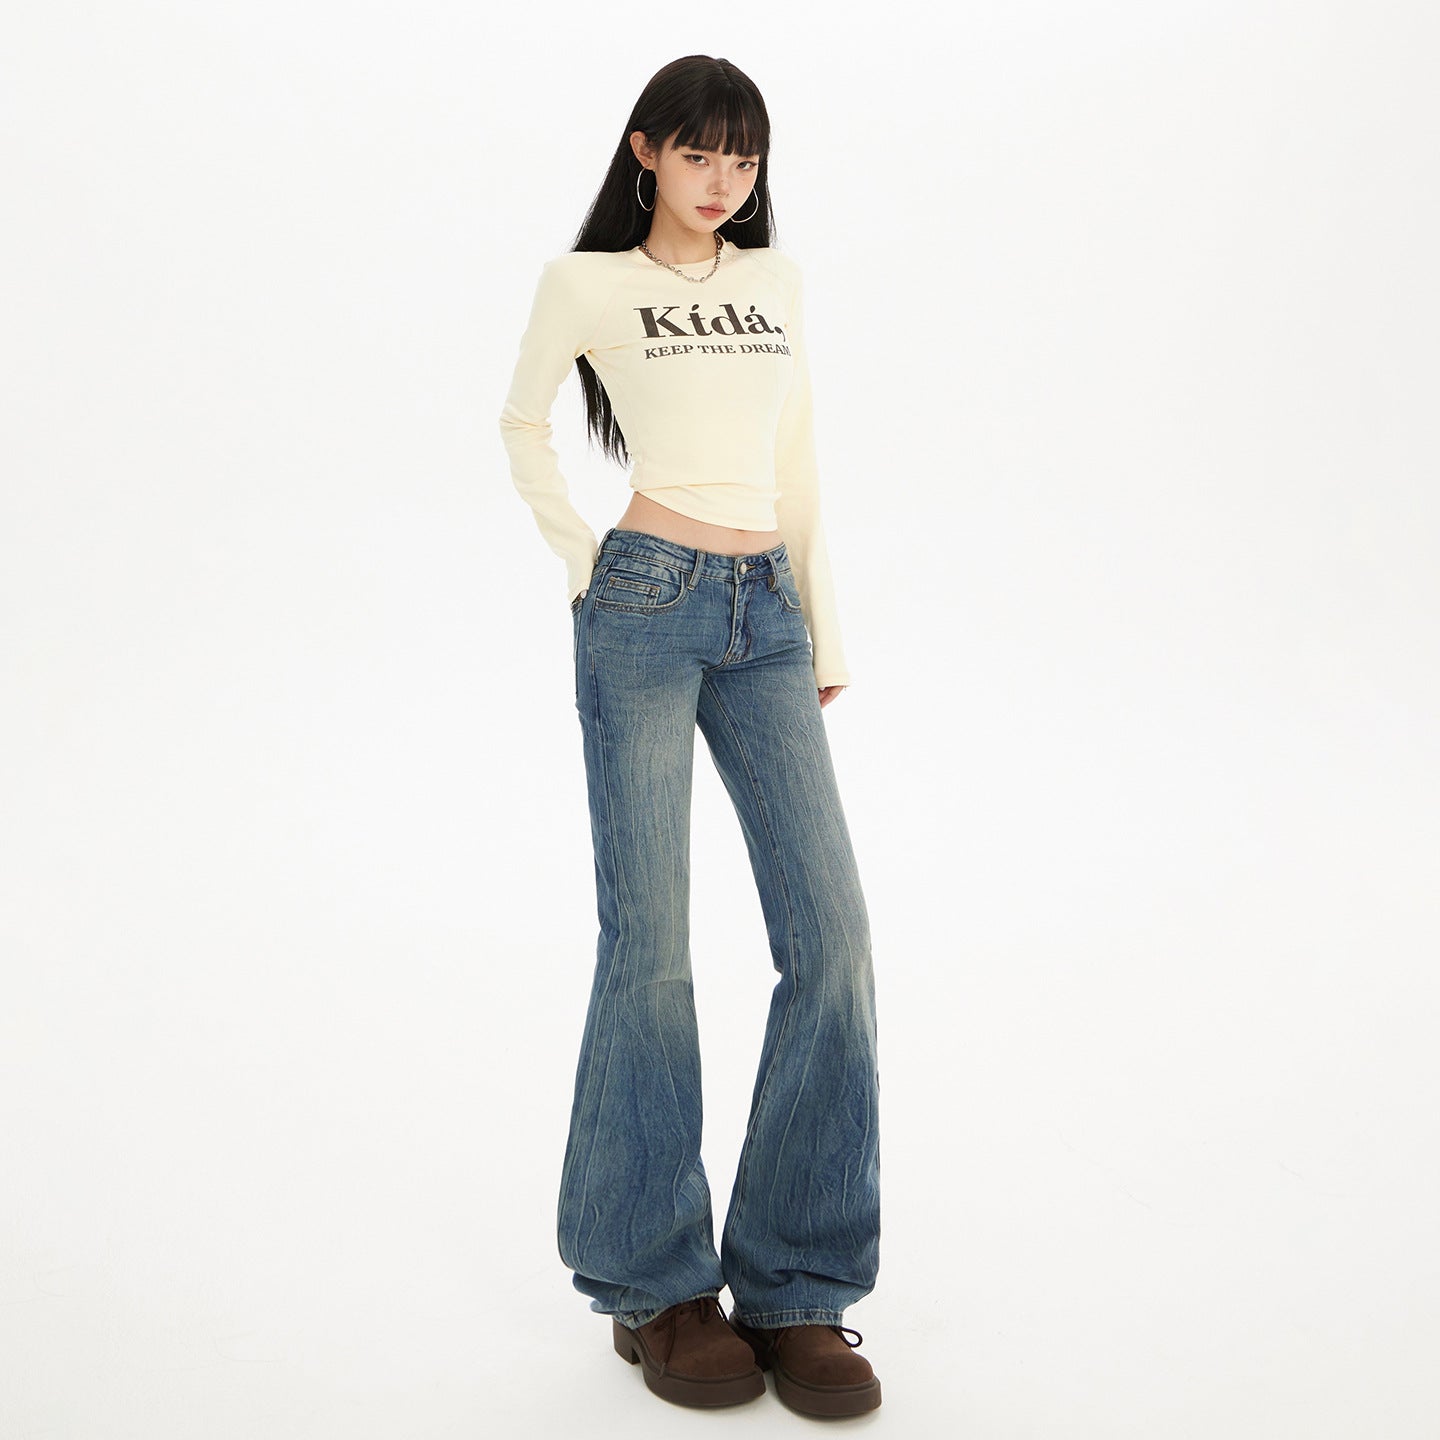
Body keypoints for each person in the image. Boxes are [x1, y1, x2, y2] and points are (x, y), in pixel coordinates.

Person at [498, 54, 881, 1417]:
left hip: (766, 613)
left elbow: (797, 460)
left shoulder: (775, 284)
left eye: (746, 159)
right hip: (646, 606)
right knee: (651, 949)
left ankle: (798, 1287)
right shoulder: (586, 283)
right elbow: (521, 422)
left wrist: (822, 628)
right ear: (647, 152)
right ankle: (654, 1283)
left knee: (831, 941)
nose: (726, 182)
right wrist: (583, 563)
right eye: (703, 154)